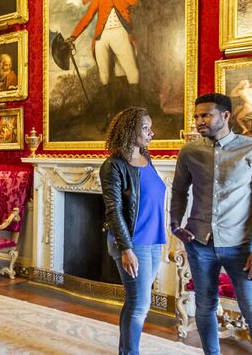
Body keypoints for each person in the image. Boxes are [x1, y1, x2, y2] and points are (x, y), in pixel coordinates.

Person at [171, 93, 252, 355]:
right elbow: (178, 191)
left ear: (226, 116)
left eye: (206, 115)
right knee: (205, 306)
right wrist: (175, 224)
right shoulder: (190, 152)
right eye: (197, 116)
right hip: (199, 244)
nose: (199, 121)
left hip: (242, 248)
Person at [99, 107, 166, 355]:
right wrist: (126, 248)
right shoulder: (113, 166)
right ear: (130, 130)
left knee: (137, 302)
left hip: (153, 240)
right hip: (132, 243)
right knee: (140, 304)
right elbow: (113, 210)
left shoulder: (147, 159)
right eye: (146, 128)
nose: (152, 133)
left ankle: (125, 350)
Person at [67, 0, 141, 115]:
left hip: (120, 31)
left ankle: (135, 115)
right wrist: (73, 36)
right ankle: (110, 116)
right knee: (104, 76)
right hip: (102, 36)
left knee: (132, 73)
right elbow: (89, 15)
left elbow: (134, 0)